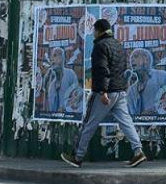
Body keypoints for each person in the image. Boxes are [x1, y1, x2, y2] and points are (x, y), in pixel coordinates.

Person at [61, 19, 145, 168]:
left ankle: (77, 157)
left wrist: (103, 91)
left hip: (105, 92)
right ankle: (138, 152)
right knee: (126, 123)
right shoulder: (117, 45)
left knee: (89, 124)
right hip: (120, 91)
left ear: (99, 31)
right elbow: (122, 69)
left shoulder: (100, 46)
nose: (93, 33)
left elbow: (102, 70)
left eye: (94, 30)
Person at [127, 48, 166, 115]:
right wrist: (141, 116)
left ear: (146, 60)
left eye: (135, 56)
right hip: (140, 124)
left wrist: (155, 111)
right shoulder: (131, 90)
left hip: (163, 123)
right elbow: (131, 115)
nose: (131, 60)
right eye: (131, 58)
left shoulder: (162, 76)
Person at [42, 47, 82, 115]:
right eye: (51, 57)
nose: (51, 59)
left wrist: (65, 107)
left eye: (55, 55)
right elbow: (47, 107)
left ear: (62, 57)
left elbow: (77, 97)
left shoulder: (70, 74)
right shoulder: (50, 82)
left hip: (69, 118)